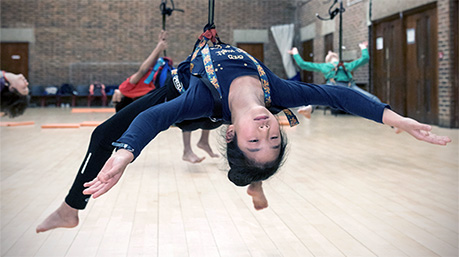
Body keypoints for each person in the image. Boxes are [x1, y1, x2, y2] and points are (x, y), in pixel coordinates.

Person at [37, 32, 451, 234]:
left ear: (233, 133)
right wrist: (398, 119)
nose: (267, 129)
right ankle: (253, 183)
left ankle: (72, 209)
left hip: (181, 97)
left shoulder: (200, 99)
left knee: (104, 135)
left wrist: (125, 154)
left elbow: (151, 120)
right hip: (210, 77)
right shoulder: (277, 92)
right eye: (274, 138)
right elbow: (339, 95)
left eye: (255, 140)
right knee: (256, 164)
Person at [114, 30, 219, 163]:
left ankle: (201, 142)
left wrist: (160, 46)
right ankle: (190, 149)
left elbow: (145, 69)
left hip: (165, 84)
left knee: (200, 100)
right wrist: (159, 46)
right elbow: (142, 70)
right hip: (166, 85)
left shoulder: (131, 95)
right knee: (197, 100)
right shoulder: (130, 93)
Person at [289, 41, 379, 118]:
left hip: (335, 87)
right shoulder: (347, 65)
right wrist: (363, 47)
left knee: (319, 93)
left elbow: (303, 64)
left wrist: (295, 53)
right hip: (350, 87)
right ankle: (387, 115)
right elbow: (365, 58)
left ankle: (310, 108)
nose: (330, 53)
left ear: (327, 60)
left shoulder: (325, 66)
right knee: (372, 98)